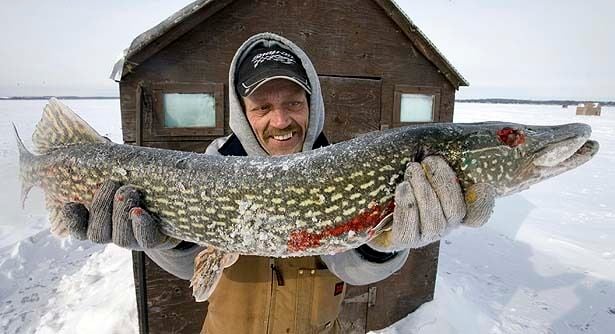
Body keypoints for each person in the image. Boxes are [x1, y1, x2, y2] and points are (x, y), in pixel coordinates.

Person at [61, 32, 496, 334]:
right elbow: (189, 264)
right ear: (242, 112)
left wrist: (386, 241)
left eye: (292, 102)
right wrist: (164, 241)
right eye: (262, 106)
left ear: (312, 104)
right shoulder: (214, 165)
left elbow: (355, 269)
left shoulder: (342, 168)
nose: (281, 120)